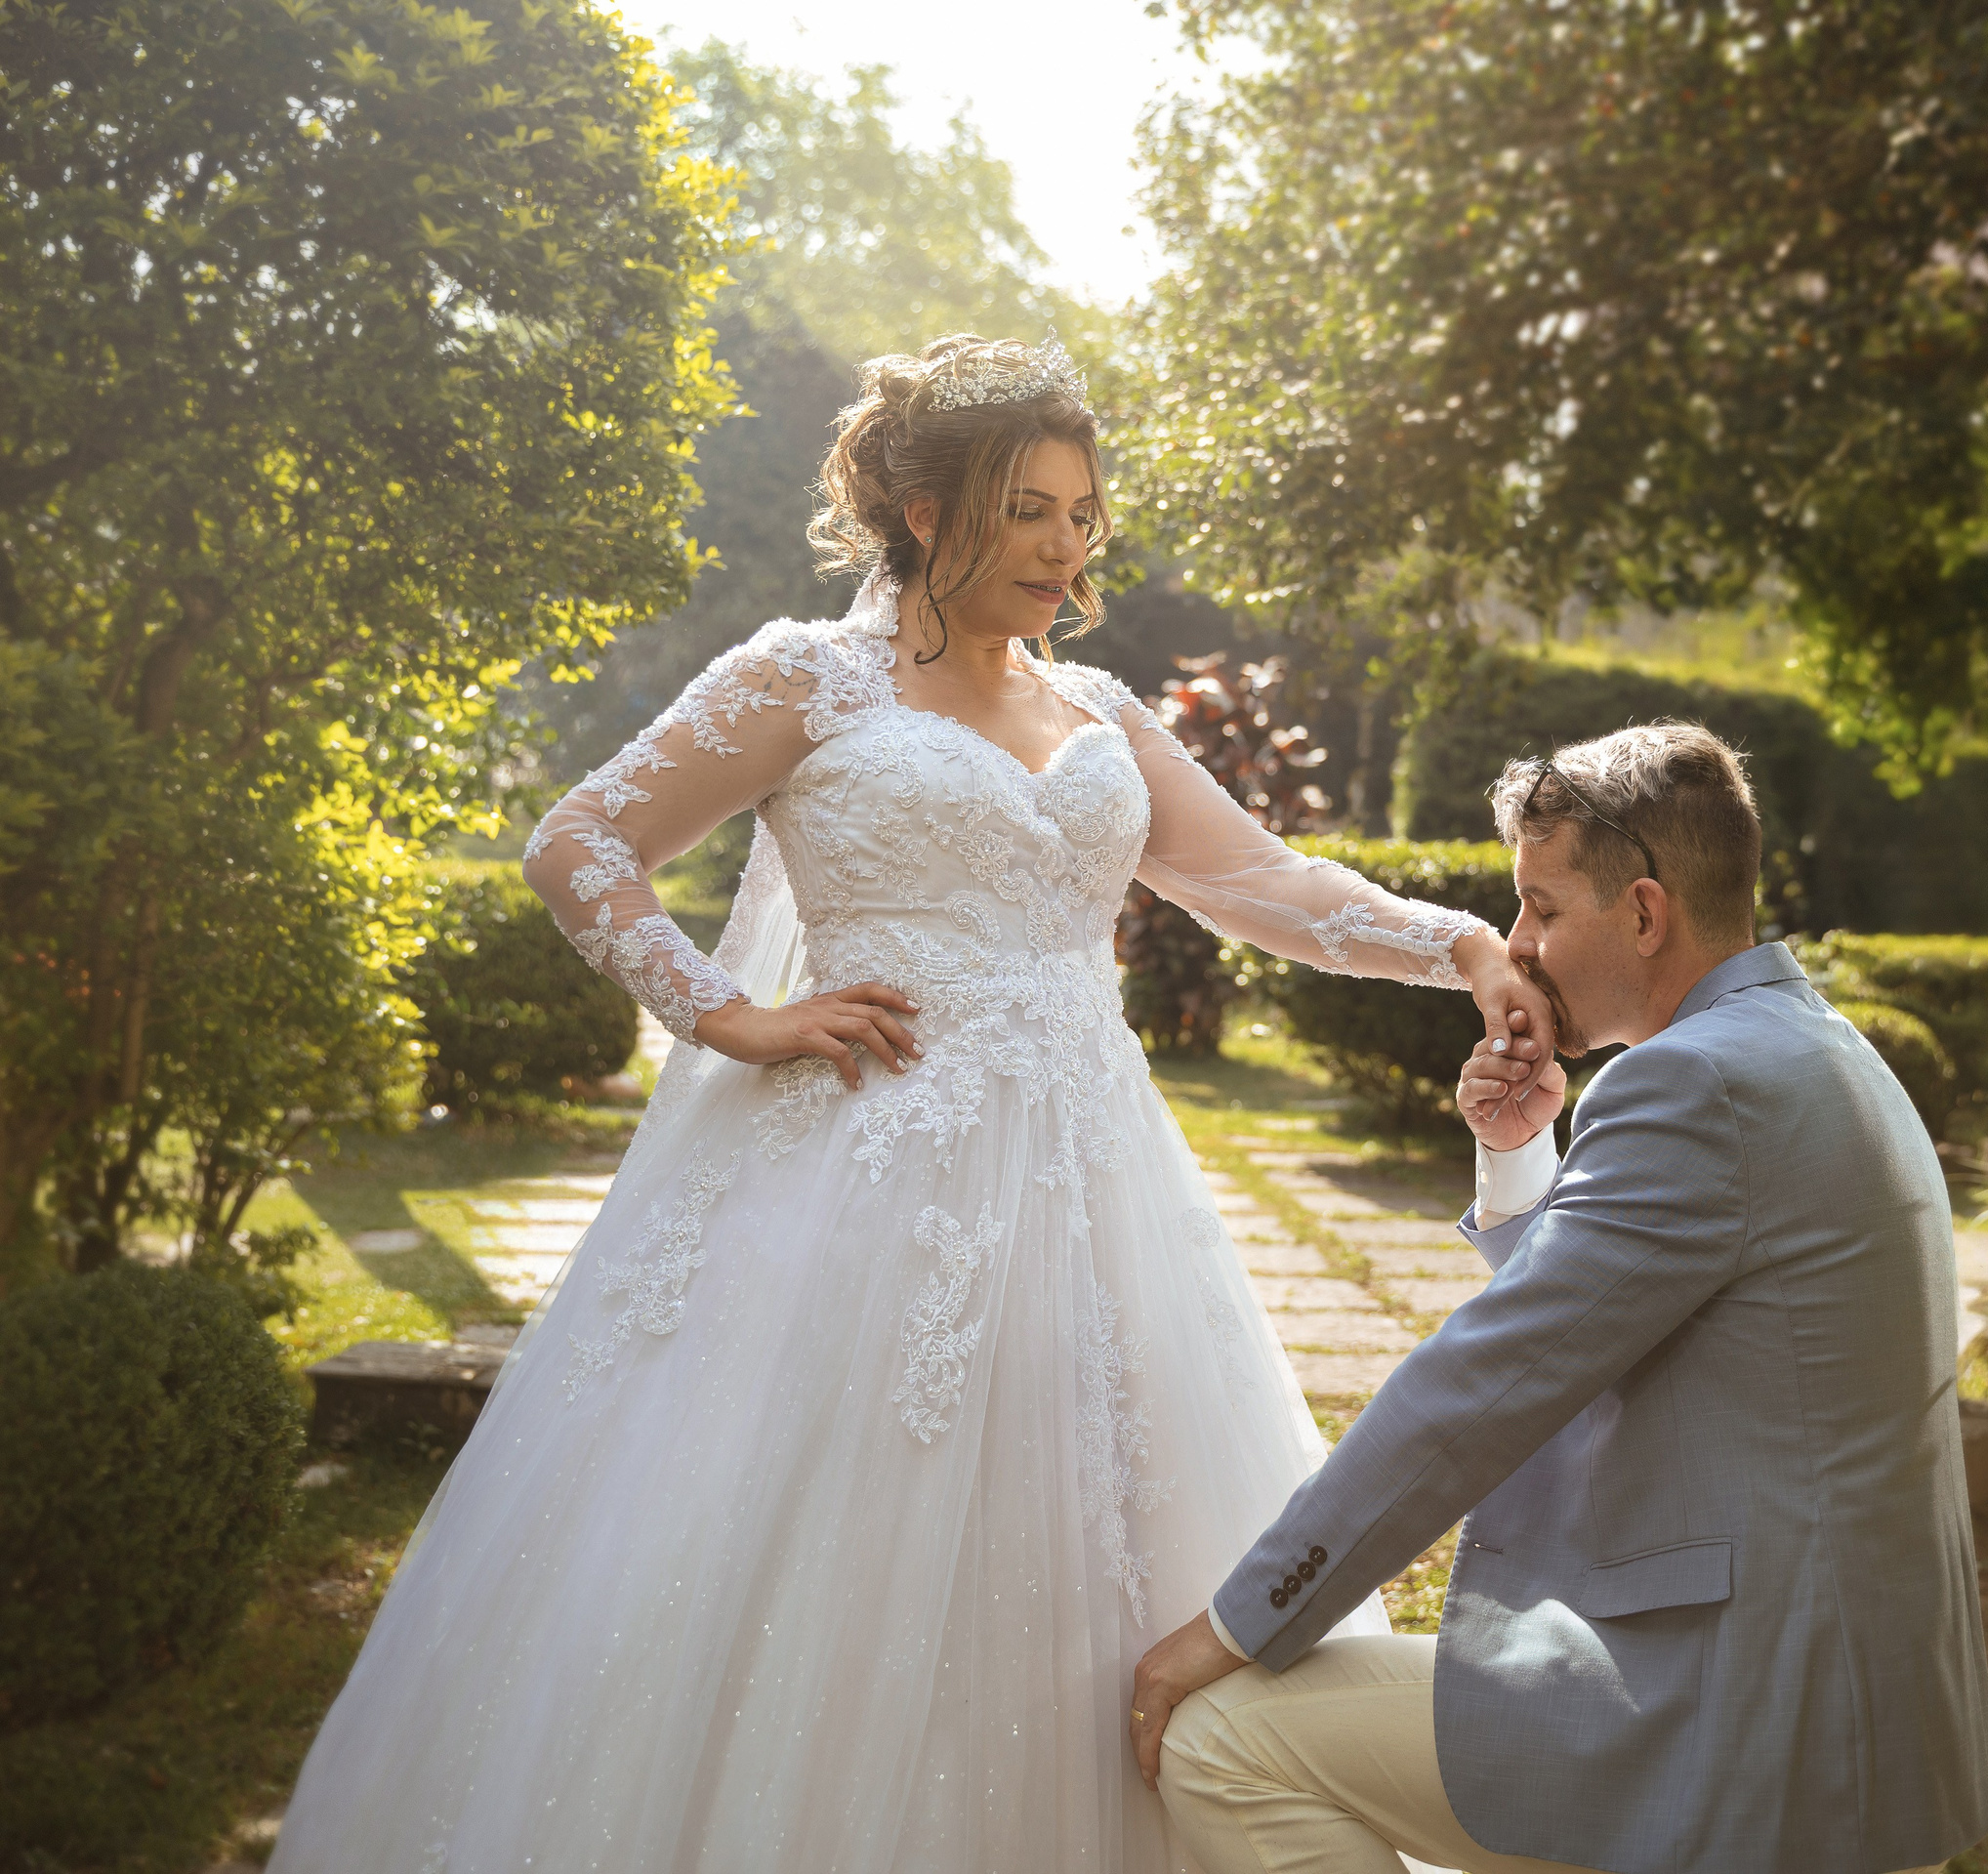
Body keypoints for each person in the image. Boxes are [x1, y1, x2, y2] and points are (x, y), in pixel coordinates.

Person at [269, 333, 1552, 1874]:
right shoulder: (803, 679)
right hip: (858, 1189)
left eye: (1082, 512)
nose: (1066, 548)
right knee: (823, 1562)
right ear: (927, 508)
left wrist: (1465, 943)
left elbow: (1257, 880)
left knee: (1108, 1538)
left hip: (1096, 1189)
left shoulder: (1099, 704)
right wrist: (729, 1012)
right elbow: (580, 838)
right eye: (1030, 509)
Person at [1130, 724, 1988, 1874]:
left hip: (1733, 1721)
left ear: (1643, 914)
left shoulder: (1692, 1080)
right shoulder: (1809, 1043)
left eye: (1539, 908)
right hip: (1858, 1719)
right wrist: (1514, 1153)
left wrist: (1238, 1621)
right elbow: (1611, 1312)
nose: (1519, 946)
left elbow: (1484, 1384)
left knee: (1225, 1739)